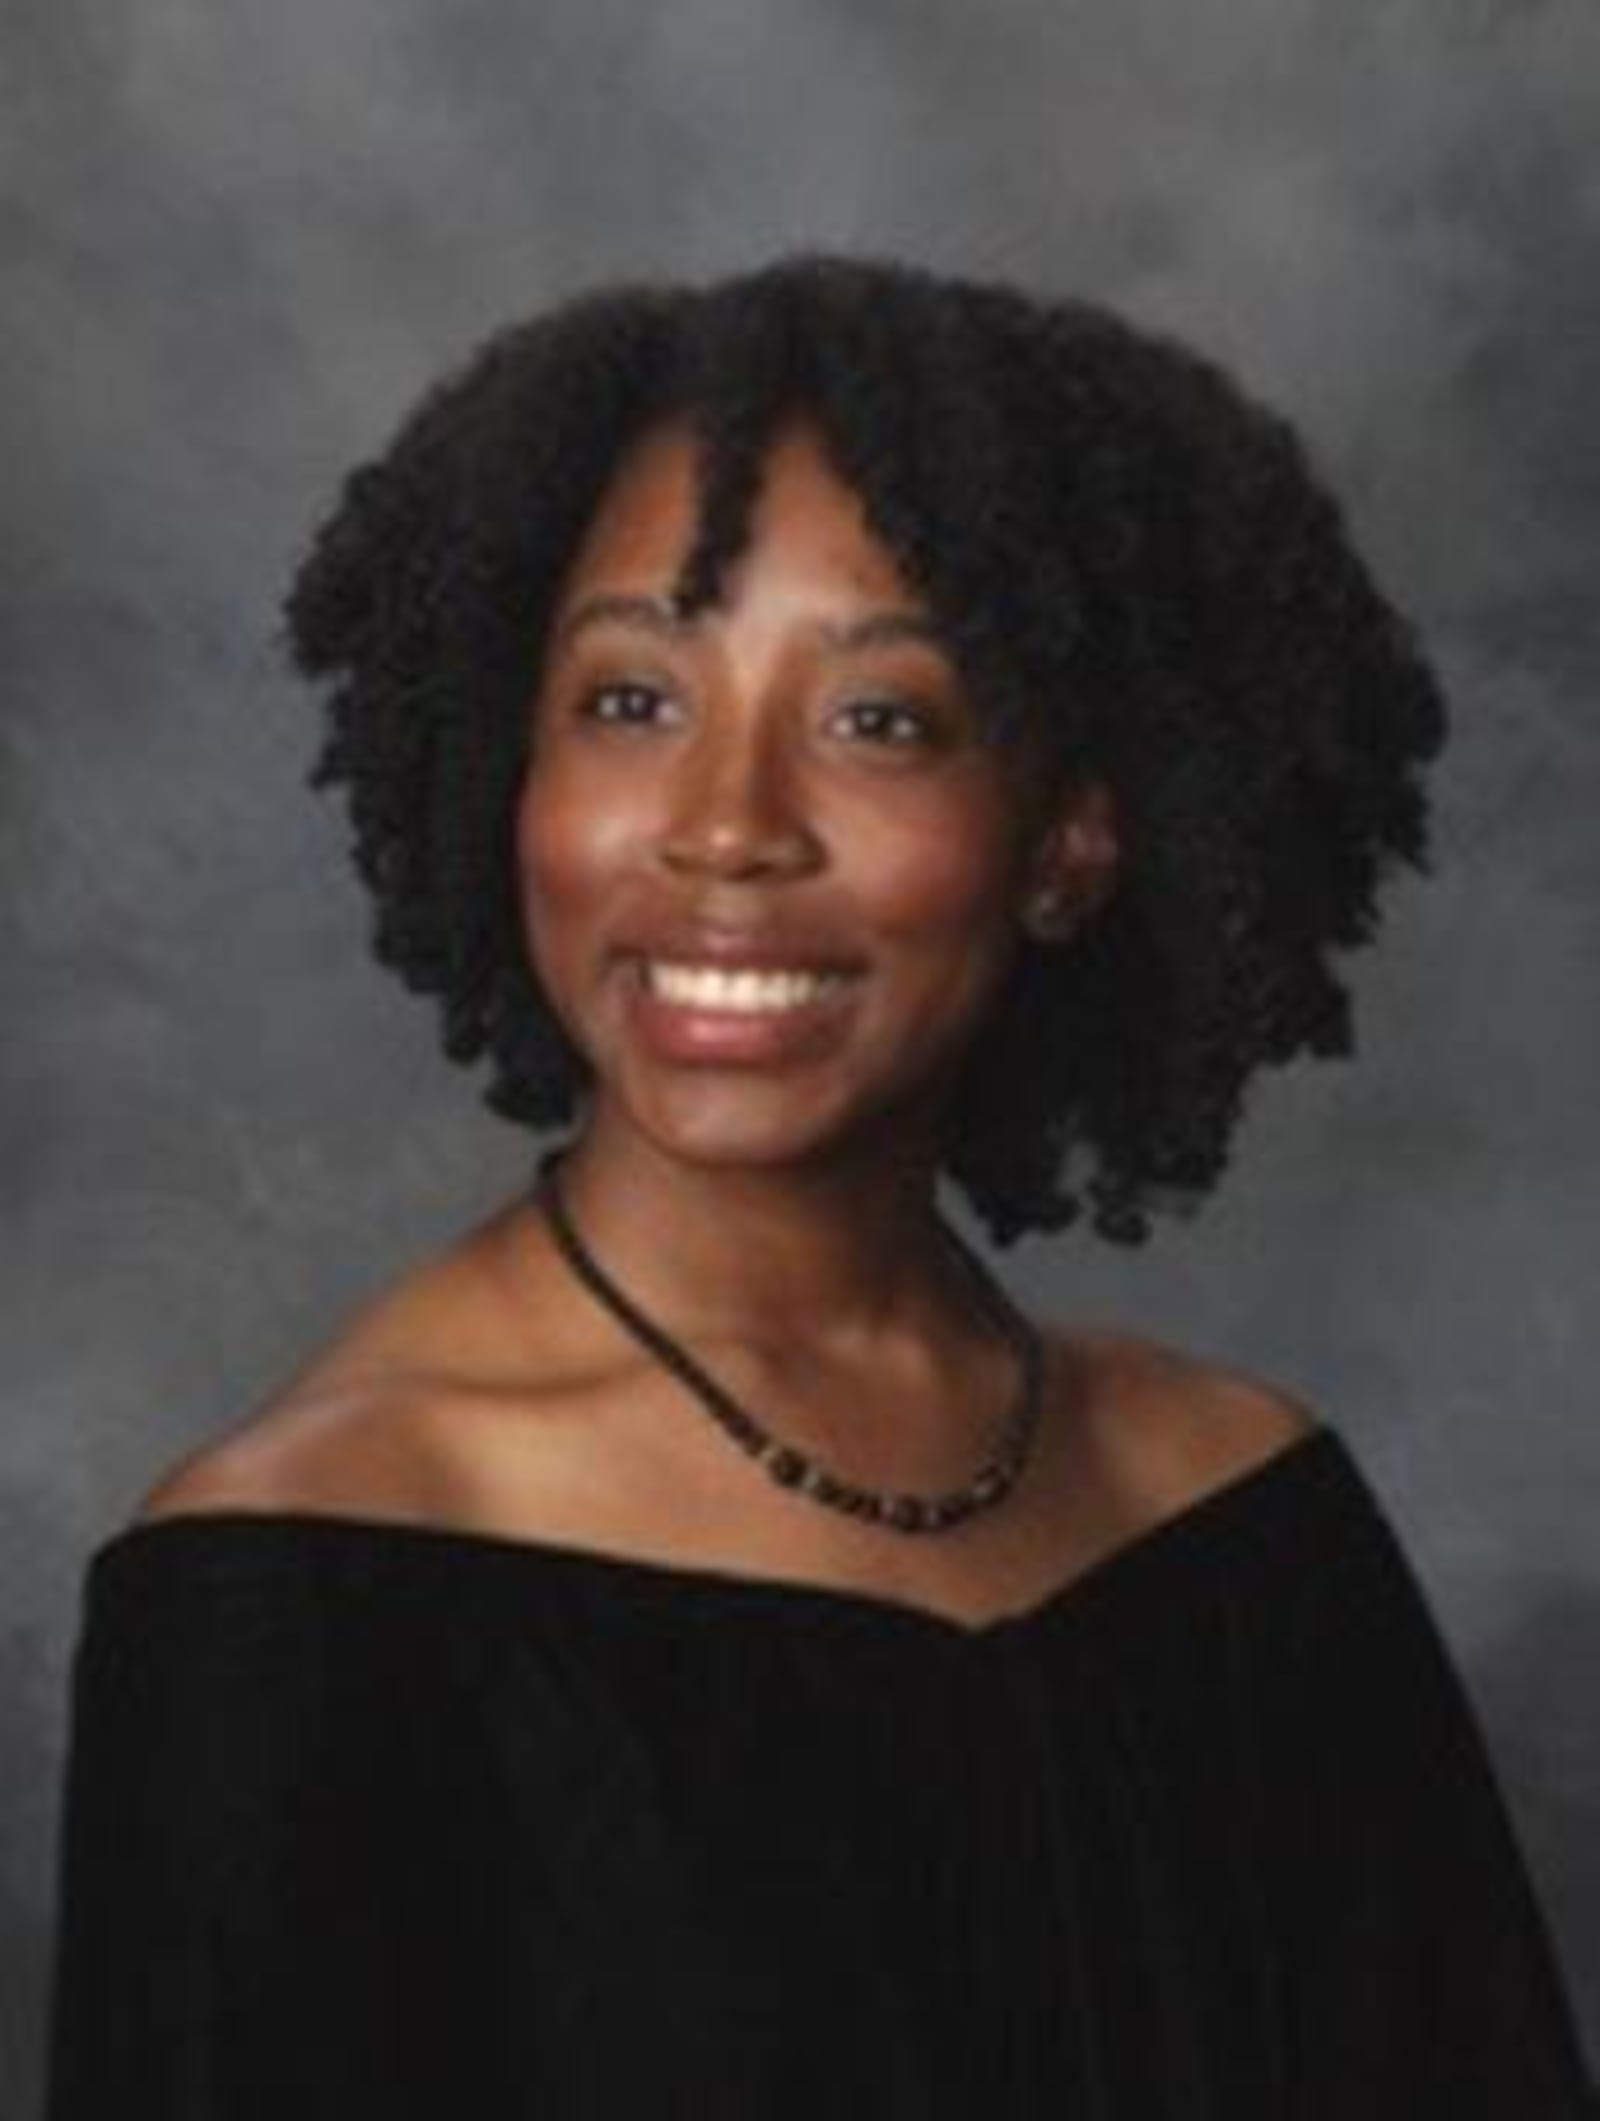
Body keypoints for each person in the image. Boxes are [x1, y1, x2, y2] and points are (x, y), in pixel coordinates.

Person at [43, 252, 1596, 2116]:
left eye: (879, 719)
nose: (726, 825)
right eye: (632, 698)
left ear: (1071, 839)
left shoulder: (1240, 1515)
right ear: (513, 774)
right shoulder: (298, 1577)